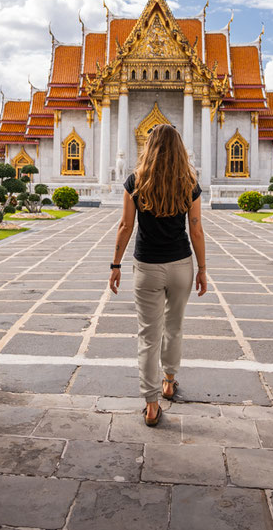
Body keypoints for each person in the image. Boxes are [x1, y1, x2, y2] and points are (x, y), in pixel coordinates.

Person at [108, 124, 207, 426]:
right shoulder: (189, 181)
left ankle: (151, 404)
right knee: (174, 327)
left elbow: (125, 226)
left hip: (147, 267)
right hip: (181, 266)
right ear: (179, 148)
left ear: (148, 147)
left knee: (148, 337)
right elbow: (197, 228)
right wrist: (203, 269)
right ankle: (168, 381)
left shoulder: (135, 181)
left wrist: (115, 265)